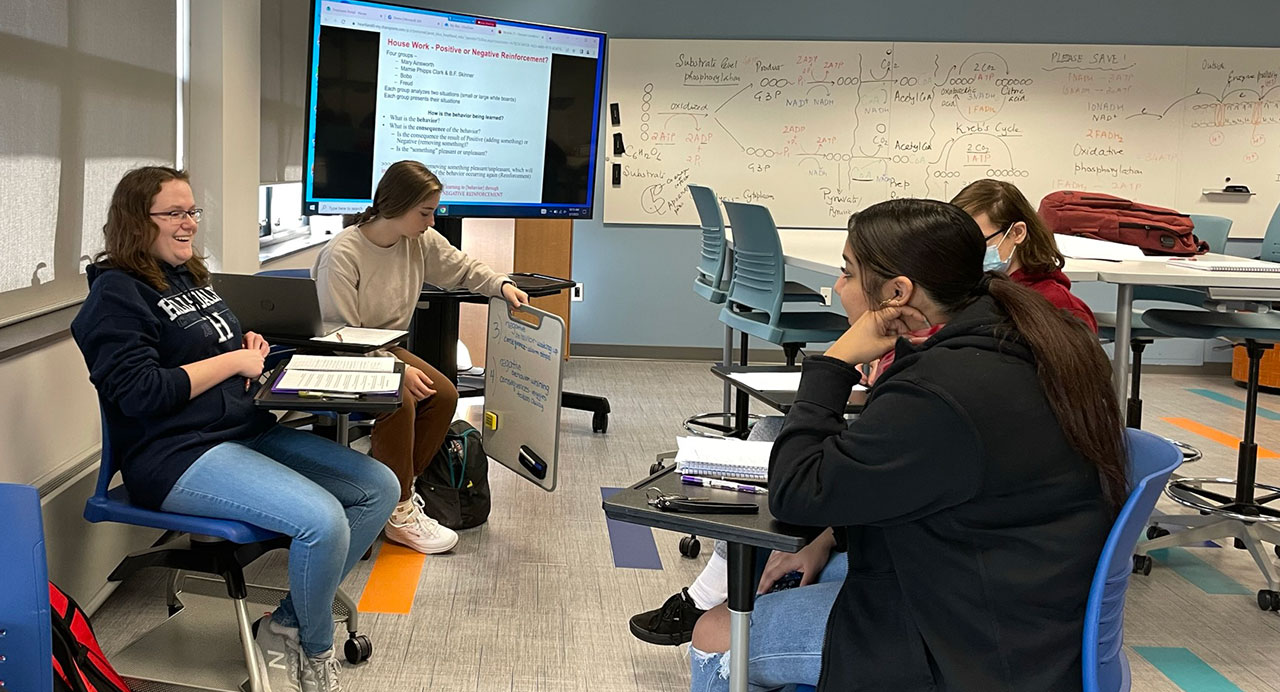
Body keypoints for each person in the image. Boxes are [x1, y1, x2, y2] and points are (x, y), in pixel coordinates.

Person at [629, 179, 1098, 646]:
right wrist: (828, 537)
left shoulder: (937, 387)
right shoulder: (987, 335)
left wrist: (834, 363)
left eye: (847, 273)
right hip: (990, 575)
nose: (836, 287)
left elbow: (796, 495)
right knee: (771, 578)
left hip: (971, 628)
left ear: (898, 292)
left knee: (714, 635)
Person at [72, 166, 399, 692]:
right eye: (174, 213)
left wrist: (245, 349)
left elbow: (207, 349)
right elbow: (140, 392)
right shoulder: (115, 296)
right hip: (176, 455)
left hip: (240, 430)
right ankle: (311, 653)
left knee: (378, 487)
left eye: (192, 212)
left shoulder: (187, 276)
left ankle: (285, 624)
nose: (189, 224)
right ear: (137, 222)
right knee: (324, 522)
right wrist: (231, 365)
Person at [313, 160, 529, 554]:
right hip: (344, 353)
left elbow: (463, 269)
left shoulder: (417, 241)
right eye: (425, 212)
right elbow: (339, 334)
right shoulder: (343, 253)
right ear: (396, 204)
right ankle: (396, 508)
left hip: (385, 347)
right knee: (402, 400)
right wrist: (394, 369)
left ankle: (396, 490)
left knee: (444, 395)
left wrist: (501, 285)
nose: (431, 222)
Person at [950, 178, 1097, 332]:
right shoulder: (966, 293)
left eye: (979, 241)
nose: (968, 251)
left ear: (1017, 233)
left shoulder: (1058, 306)